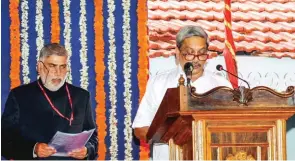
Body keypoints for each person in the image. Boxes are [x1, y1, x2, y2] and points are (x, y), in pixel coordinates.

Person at [132, 26, 232, 160]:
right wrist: (172, 133)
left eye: (202, 53)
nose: (196, 59)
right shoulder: (159, 83)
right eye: (190, 53)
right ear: (177, 52)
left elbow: (232, 128)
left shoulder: (221, 85)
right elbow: (139, 129)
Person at [1, 43, 98, 160]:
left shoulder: (82, 96)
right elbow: (4, 141)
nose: (58, 72)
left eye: (62, 66)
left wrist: (87, 150)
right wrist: (34, 149)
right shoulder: (19, 95)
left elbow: (93, 139)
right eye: (52, 66)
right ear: (39, 67)